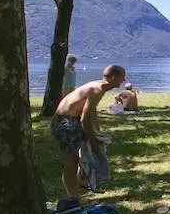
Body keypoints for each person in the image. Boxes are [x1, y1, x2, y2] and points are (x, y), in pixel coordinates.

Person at [51, 64, 126, 200]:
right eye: (122, 77)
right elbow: (85, 118)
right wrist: (92, 137)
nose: (124, 80)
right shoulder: (98, 89)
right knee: (72, 159)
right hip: (64, 121)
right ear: (113, 77)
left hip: (73, 118)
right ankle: (72, 196)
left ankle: (83, 180)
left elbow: (91, 111)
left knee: (88, 150)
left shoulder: (100, 86)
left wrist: (96, 132)